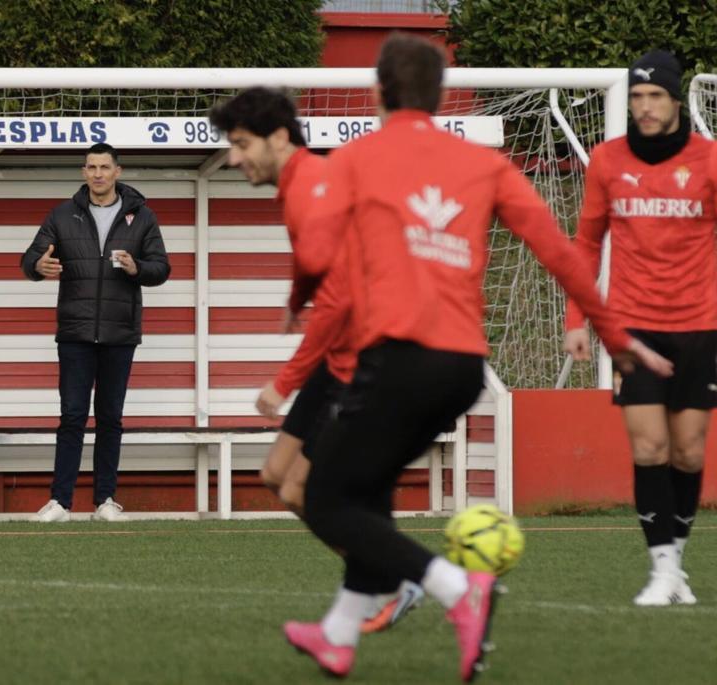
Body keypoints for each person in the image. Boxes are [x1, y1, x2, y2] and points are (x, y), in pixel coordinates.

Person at [282, 34, 672, 681]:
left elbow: (316, 250)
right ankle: (338, 634)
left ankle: (457, 588)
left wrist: (298, 297)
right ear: (440, 97)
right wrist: (615, 335)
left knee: (326, 498)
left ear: (378, 92)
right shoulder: (483, 164)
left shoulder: (357, 158)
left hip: (398, 360)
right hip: (462, 371)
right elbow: (561, 254)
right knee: (366, 492)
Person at [210, 87, 423, 635]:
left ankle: (401, 578)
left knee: (311, 492)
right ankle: (390, 577)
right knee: (278, 478)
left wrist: (283, 383)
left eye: (241, 144)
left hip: (360, 358)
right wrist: (294, 300)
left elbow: (340, 302)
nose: (232, 158)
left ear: (279, 137)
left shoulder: (311, 189)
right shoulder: (299, 184)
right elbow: (317, 265)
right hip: (339, 354)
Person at [563, 50, 717, 606]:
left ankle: (677, 563)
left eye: (655, 96)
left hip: (700, 325)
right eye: (636, 97)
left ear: (676, 101)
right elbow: (586, 244)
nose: (645, 107)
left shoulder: (710, 161)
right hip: (632, 327)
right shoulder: (607, 161)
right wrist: (577, 318)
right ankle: (662, 569)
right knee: (650, 447)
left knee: (688, 453)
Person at [20, 143, 171, 522]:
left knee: (110, 418)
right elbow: (30, 259)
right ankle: (60, 502)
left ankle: (105, 500)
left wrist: (138, 268)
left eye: (105, 167)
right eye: (91, 167)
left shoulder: (142, 216)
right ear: (83, 172)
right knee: (72, 416)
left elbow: (161, 268)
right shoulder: (63, 214)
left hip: (120, 333)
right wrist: (38, 267)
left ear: (118, 171)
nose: (98, 174)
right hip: (75, 331)